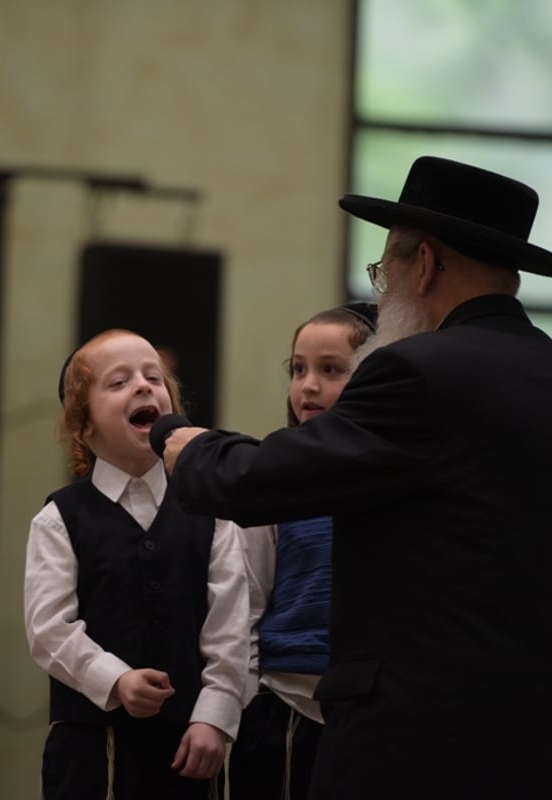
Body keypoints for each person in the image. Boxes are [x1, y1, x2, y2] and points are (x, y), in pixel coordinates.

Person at [152, 156, 552, 798]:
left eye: (385, 271)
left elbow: (266, 479)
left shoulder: (417, 371)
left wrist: (184, 442)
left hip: (417, 737)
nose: (383, 292)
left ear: (426, 264)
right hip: (546, 739)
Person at [24, 328, 250, 799]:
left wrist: (215, 716)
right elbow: (49, 627)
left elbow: (230, 628)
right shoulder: (58, 518)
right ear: (82, 424)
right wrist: (116, 677)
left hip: (189, 746)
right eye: (119, 381)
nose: (144, 386)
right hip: (90, 750)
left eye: (154, 377)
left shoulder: (212, 512)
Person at [231, 303, 376, 800]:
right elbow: (245, 601)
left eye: (330, 370)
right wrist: (244, 700)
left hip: (368, 710)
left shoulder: (394, 484)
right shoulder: (274, 481)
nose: (307, 386)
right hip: (283, 701)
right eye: (298, 369)